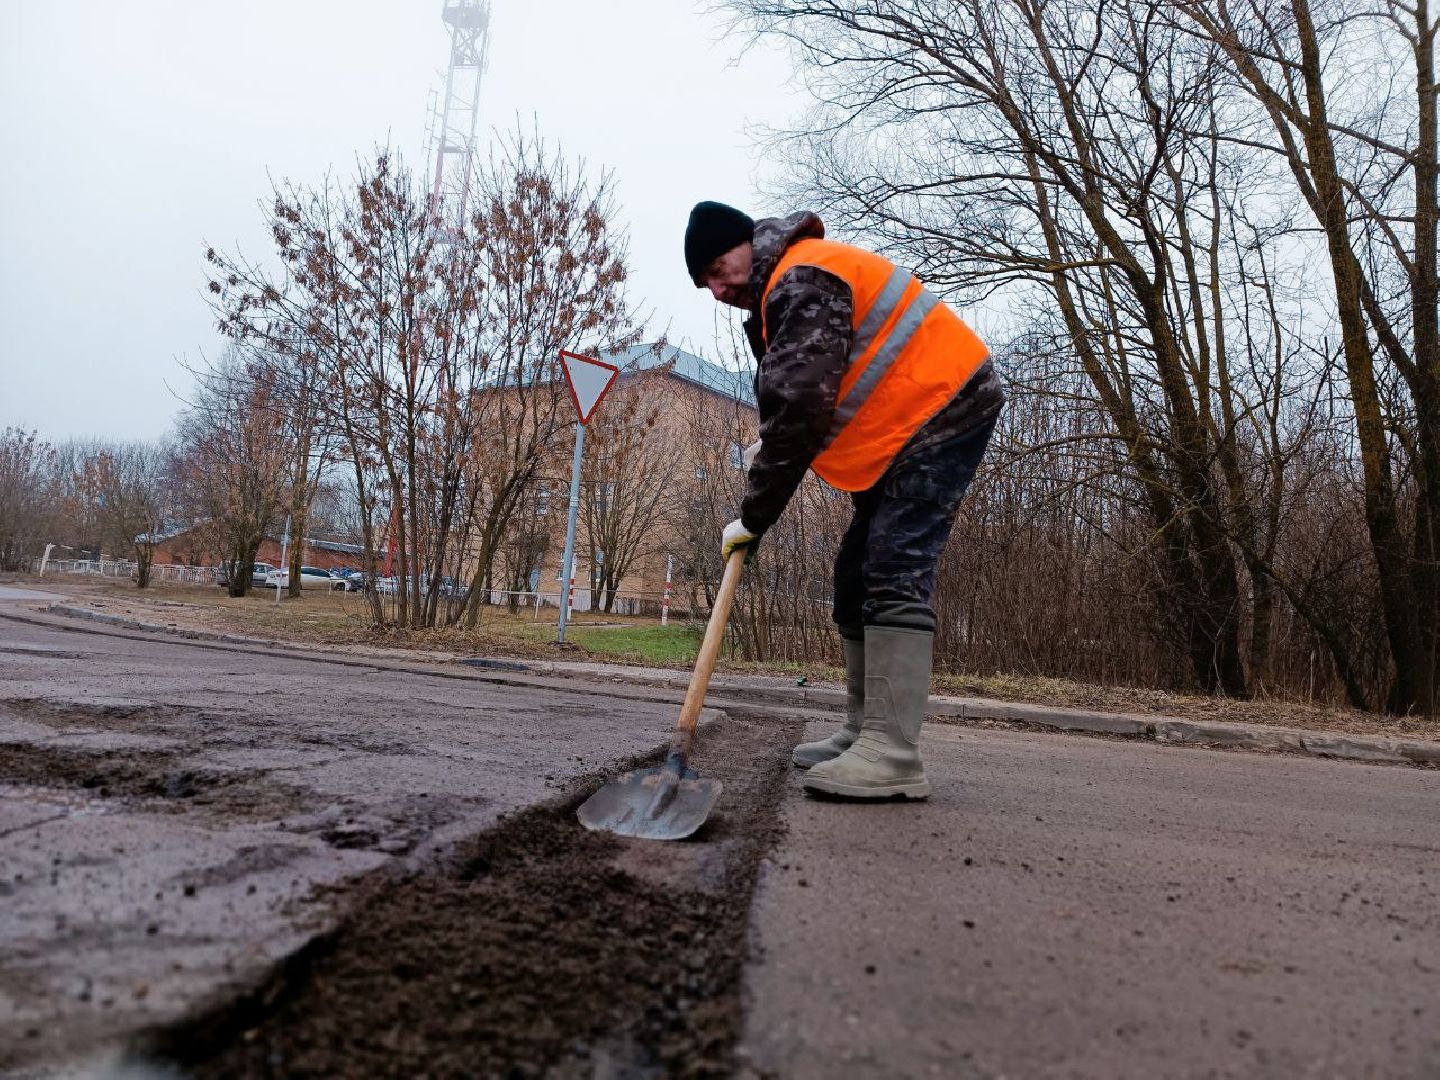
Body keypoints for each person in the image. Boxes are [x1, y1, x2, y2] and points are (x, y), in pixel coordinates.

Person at [685, 201, 1004, 800]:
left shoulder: (801, 279)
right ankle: (864, 732)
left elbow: (799, 413)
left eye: (719, 267)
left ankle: (893, 754)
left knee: (893, 564)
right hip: (905, 427)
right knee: (856, 570)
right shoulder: (783, 291)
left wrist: (754, 517)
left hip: (943, 407)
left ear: (748, 243)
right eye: (705, 282)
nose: (717, 287)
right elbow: (796, 406)